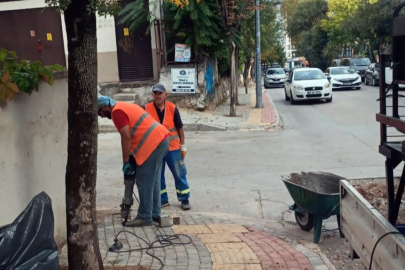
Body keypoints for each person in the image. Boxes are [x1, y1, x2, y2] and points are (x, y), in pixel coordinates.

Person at [98, 96, 169, 227]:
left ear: (103, 107)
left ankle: (145, 216)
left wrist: (126, 162)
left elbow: (126, 137)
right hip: (161, 140)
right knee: (154, 181)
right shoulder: (124, 105)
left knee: (144, 181)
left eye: (99, 113)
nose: (101, 116)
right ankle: (154, 213)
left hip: (153, 144)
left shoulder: (116, 112)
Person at [144, 84, 191, 210]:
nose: (158, 96)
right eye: (155, 93)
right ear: (152, 94)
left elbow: (179, 127)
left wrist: (183, 145)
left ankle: (184, 199)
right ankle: (162, 199)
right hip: (155, 148)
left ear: (165, 95)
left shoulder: (172, 108)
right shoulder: (146, 109)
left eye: (160, 93)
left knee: (179, 172)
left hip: (173, 147)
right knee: (158, 175)